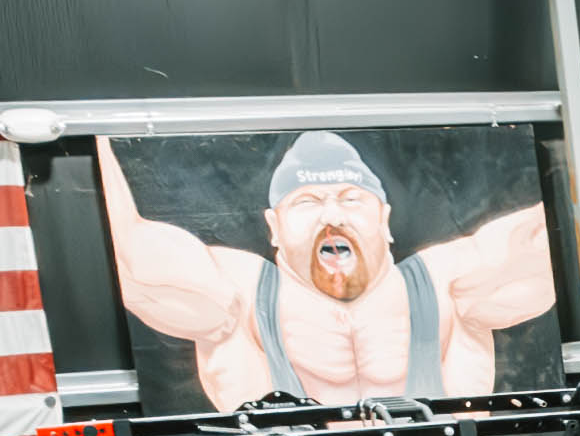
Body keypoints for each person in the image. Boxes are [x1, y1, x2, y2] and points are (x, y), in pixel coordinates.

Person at [100, 130, 556, 406]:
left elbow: (547, 240)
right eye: (308, 202)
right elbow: (136, 258)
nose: (332, 216)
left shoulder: (450, 285)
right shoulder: (235, 295)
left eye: (351, 199)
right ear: (274, 228)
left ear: (385, 219)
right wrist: (90, 135)